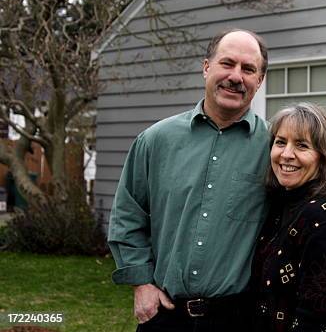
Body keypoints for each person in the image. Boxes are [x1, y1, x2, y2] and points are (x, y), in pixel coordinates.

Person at [107, 29, 270, 331]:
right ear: (206, 67)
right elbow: (128, 216)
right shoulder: (156, 140)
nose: (236, 76)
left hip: (239, 319)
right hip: (166, 316)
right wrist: (141, 284)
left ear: (259, 81)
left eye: (248, 69)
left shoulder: (273, 149)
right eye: (227, 63)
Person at [250, 103, 326, 332]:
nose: (286, 154)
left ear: (324, 157)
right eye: (280, 142)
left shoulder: (324, 220)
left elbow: (315, 322)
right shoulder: (282, 205)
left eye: (302, 145)